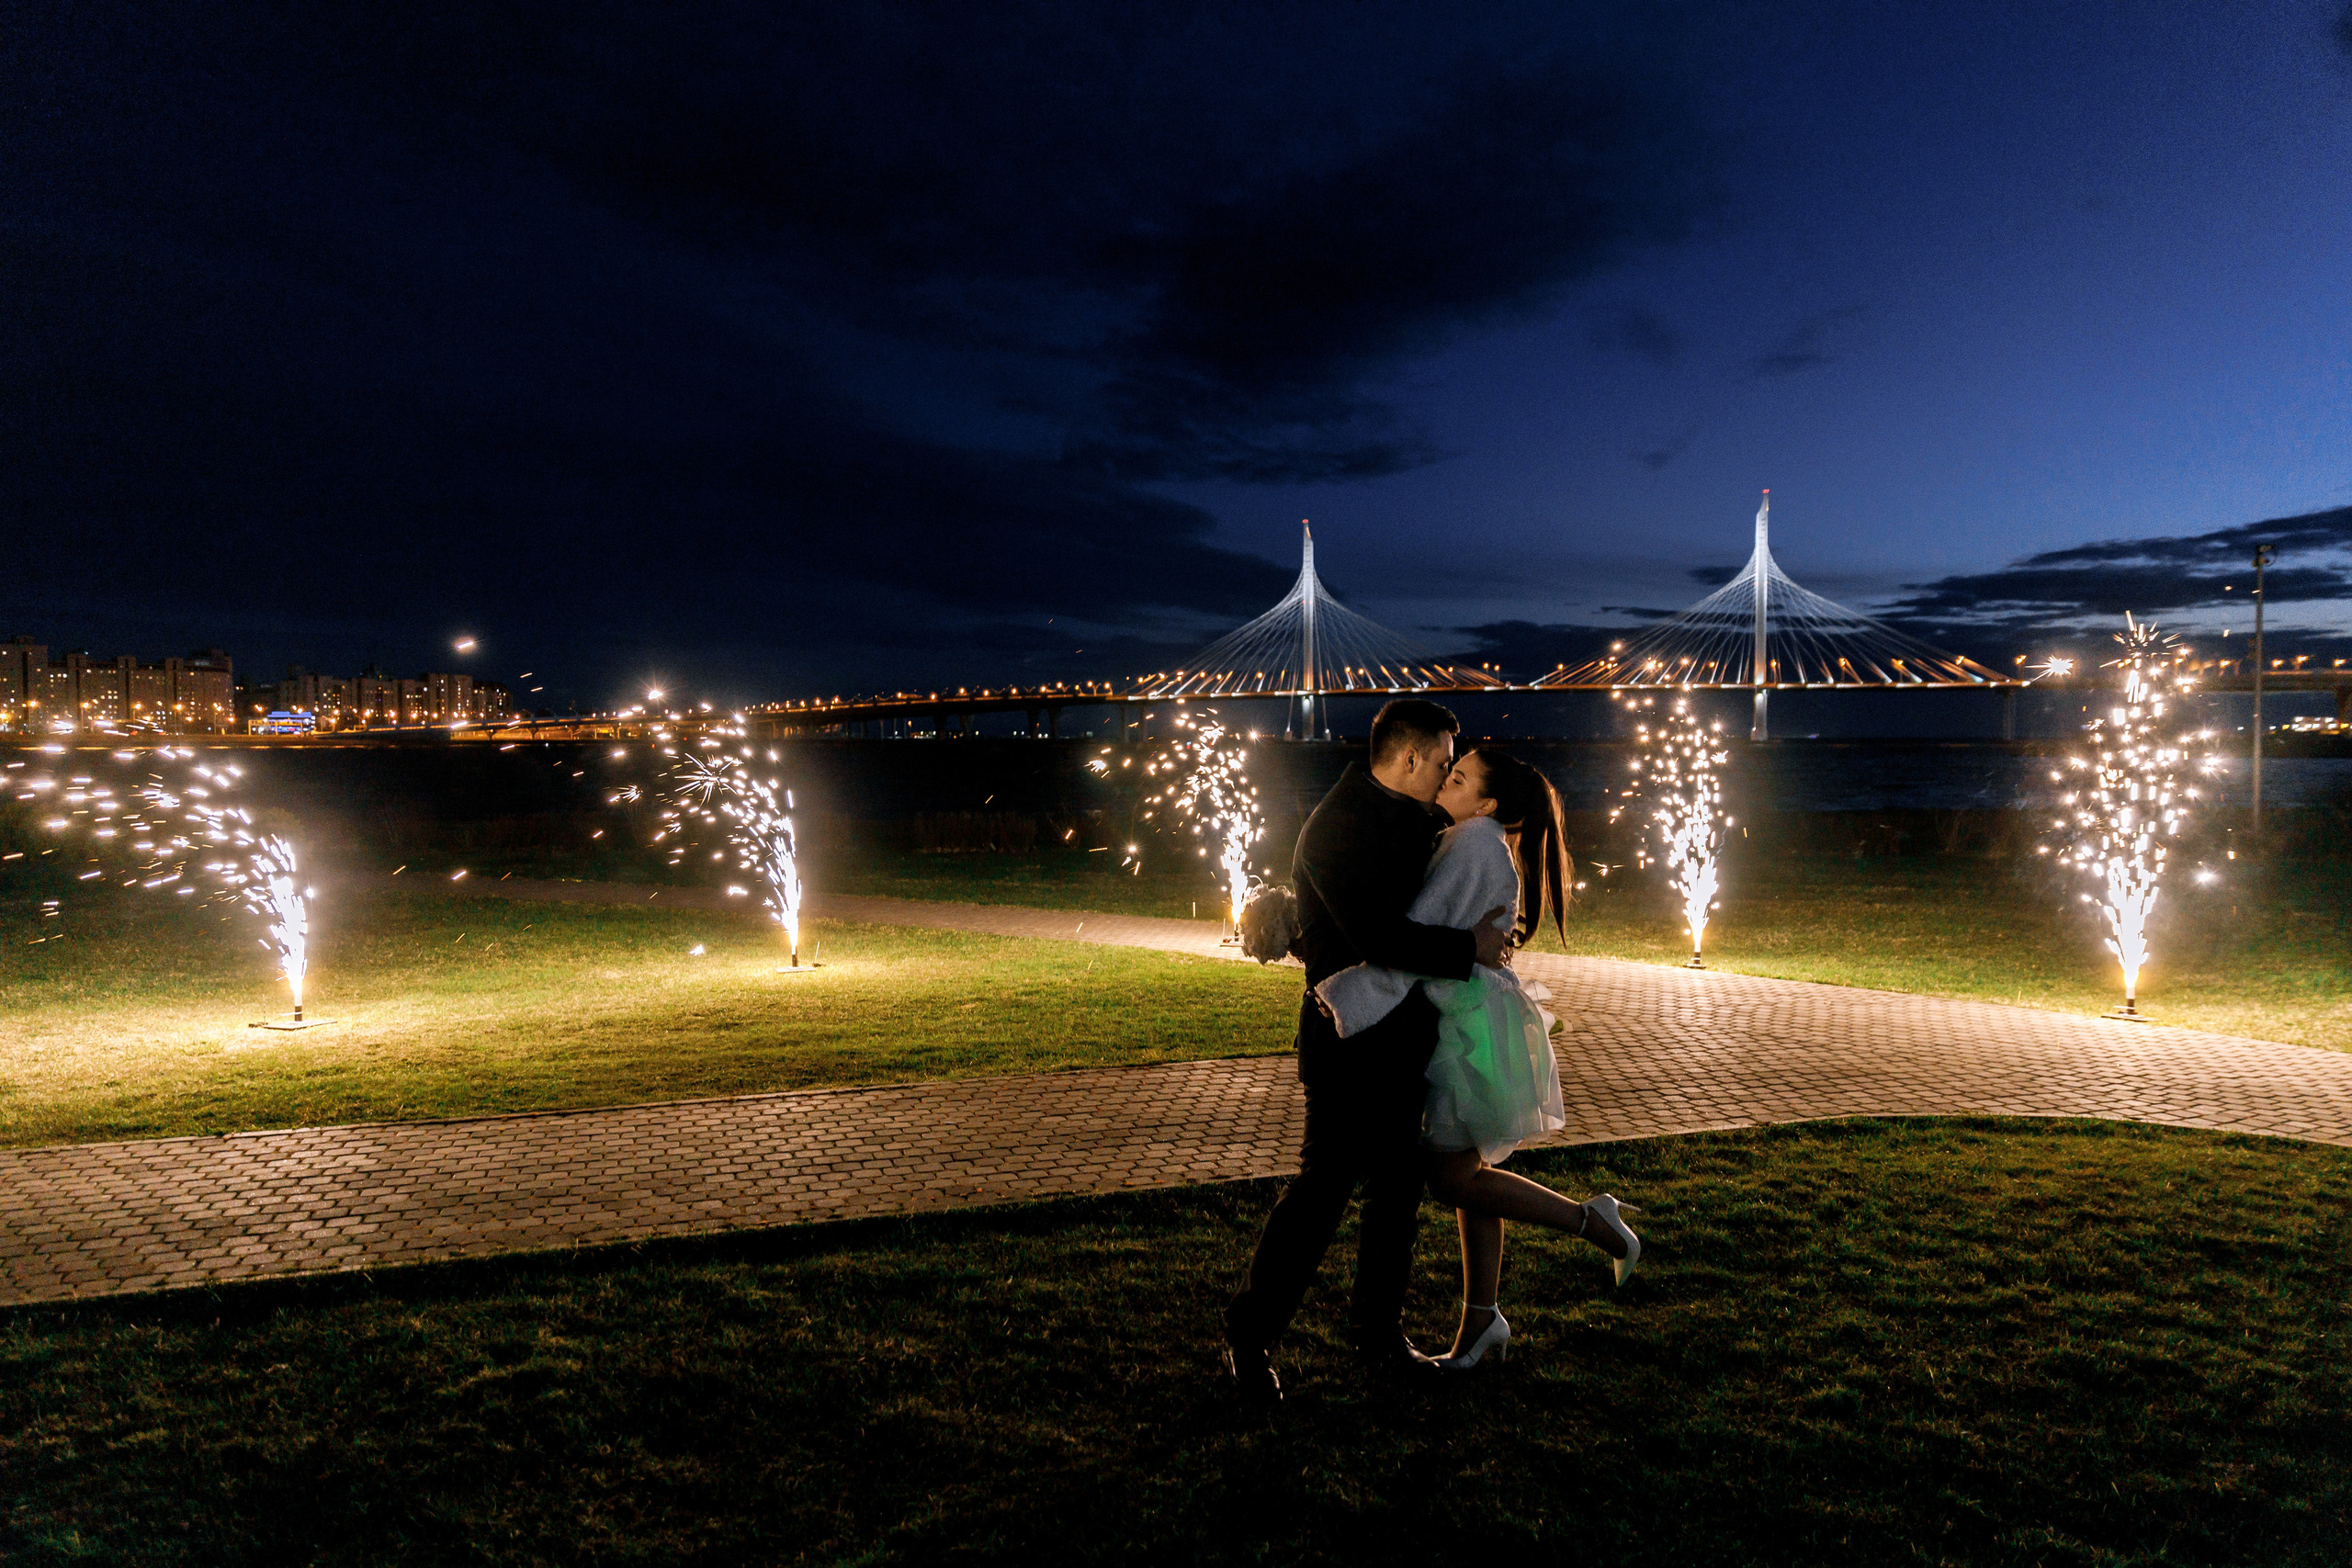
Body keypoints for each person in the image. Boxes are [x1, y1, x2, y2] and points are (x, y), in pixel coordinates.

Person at [1222, 699, 1512, 1403]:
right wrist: (1466, 948)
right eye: (1444, 761)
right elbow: (1377, 938)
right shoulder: (1339, 826)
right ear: (1409, 758)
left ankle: (1378, 1332)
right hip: (1346, 1043)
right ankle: (1251, 1337)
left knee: (1396, 1192)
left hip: (1402, 1040)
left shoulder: (1415, 820)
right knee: (1323, 1190)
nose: (1448, 774)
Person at [1317, 747, 1641, 1375]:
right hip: (1476, 1019)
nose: (1446, 780)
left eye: (1458, 778)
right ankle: (1482, 1320)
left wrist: (1349, 990)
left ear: (1487, 803)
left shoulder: (1473, 844)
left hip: (1470, 1027)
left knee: (1451, 1177)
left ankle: (1590, 1220)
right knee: (1468, 1173)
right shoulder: (1482, 838)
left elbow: (1418, 929)